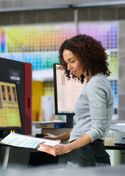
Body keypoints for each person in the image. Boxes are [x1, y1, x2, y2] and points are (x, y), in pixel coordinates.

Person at [37, 34, 114, 167]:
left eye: (72, 61)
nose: (69, 67)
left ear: (86, 58)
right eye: (66, 63)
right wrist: (58, 138)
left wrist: (67, 148)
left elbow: (98, 129)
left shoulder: (96, 83)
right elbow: (83, 127)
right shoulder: (93, 82)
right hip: (85, 151)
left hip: (86, 153)